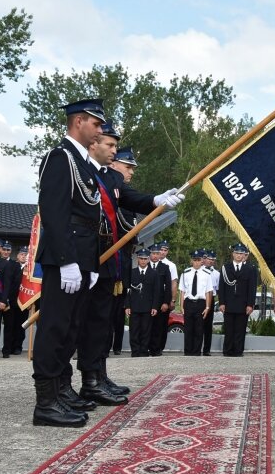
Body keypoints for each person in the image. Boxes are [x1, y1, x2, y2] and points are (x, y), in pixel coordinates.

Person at [32, 97, 182, 428]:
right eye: (97, 125)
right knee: (55, 327)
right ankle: (46, 402)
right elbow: (55, 215)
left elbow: (112, 201)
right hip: (67, 259)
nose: (101, 131)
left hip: (85, 260)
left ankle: (61, 390)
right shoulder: (61, 158)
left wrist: (156, 199)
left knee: (70, 328)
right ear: (79, 122)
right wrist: (66, 260)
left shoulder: (84, 164)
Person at [78, 128, 157, 405]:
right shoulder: (97, 181)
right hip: (98, 261)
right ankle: (90, 378)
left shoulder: (116, 186)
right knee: (95, 323)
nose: (131, 172)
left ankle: (100, 376)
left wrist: (157, 203)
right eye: (128, 166)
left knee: (106, 324)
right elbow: (119, 226)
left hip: (116, 263)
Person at [109, 146, 139, 355]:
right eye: (128, 167)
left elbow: (131, 232)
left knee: (115, 310)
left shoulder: (126, 198)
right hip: (105, 259)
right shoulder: (105, 188)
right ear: (113, 164)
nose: (131, 171)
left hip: (122, 262)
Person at [218, 243, 257, 357]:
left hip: (243, 304)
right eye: (237, 253)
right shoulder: (226, 267)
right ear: (233, 254)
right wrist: (221, 303)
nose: (239, 255)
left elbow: (252, 288)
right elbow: (222, 287)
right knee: (229, 329)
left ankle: (238, 351)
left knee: (240, 329)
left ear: (244, 255)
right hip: (229, 303)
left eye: (241, 253)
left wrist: (250, 304)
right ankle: (228, 350)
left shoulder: (250, 269)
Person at [126, 248, 161, 357]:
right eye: (141, 258)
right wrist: (127, 306)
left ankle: (144, 351)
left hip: (148, 307)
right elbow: (127, 290)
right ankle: (135, 351)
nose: (143, 261)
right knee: (134, 330)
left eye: (145, 259)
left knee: (146, 330)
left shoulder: (154, 274)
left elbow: (156, 292)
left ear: (148, 259)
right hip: (134, 306)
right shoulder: (132, 273)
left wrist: (155, 307)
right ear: (137, 259)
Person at [179, 249, 213, 356]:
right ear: (191, 261)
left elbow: (208, 292)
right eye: (195, 260)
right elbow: (182, 291)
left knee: (199, 329)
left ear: (202, 261)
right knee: (188, 329)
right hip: (189, 302)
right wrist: (181, 306)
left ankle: (197, 351)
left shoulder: (207, 274)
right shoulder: (186, 273)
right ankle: (188, 351)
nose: (197, 262)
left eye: (199, 260)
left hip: (200, 303)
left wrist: (207, 307)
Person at [148, 240, 177, 356]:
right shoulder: (146, 264)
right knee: (148, 325)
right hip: (148, 300)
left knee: (160, 326)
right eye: (160, 250)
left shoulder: (168, 266)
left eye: (164, 250)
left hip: (161, 300)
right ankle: (147, 347)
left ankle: (158, 347)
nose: (161, 253)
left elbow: (171, 285)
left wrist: (170, 300)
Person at [0, 240, 21, 358]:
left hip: (10, 301)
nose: (6, 252)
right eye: (4, 249)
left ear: (11, 251)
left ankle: (6, 350)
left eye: (8, 250)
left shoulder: (15, 265)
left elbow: (16, 284)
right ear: (0, 250)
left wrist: (7, 298)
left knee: (9, 327)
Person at [10, 246, 30, 355]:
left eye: (26, 254)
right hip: (12, 300)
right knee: (11, 324)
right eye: (22, 254)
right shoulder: (12, 266)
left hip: (24, 301)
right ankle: (9, 346)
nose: (23, 256)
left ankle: (18, 346)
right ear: (17, 255)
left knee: (21, 325)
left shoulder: (30, 268)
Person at [202, 250, 220, 356]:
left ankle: (206, 349)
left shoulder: (217, 274)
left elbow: (217, 290)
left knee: (208, 325)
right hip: (200, 298)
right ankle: (196, 347)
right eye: (209, 259)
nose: (211, 261)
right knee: (199, 324)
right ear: (204, 259)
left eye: (213, 260)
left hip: (211, 298)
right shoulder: (200, 271)